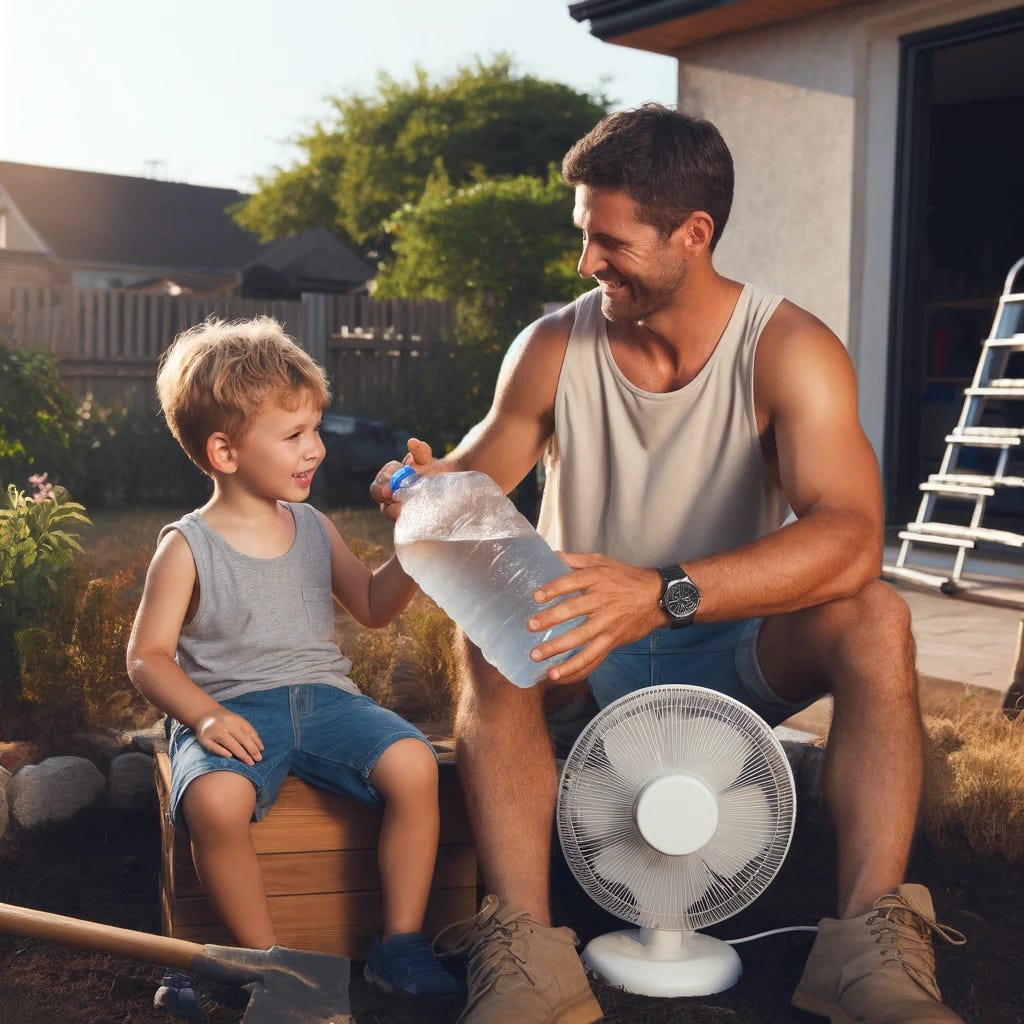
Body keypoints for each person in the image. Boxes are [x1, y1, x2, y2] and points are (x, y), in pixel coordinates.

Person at [370, 104, 966, 1024]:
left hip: (727, 647)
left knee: (878, 617)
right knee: (488, 636)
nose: (585, 263)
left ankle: (865, 949)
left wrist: (660, 594)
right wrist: (425, 486)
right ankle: (525, 955)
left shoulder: (789, 350)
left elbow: (851, 535)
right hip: (579, 649)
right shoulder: (553, 347)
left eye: (609, 241)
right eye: (583, 235)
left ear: (693, 234)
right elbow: (473, 479)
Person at [127, 317, 461, 1014]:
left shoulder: (312, 526)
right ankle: (270, 969)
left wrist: (417, 543)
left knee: (415, 765)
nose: (315, 448)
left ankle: (398, 944)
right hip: (230, 708)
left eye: (313, 429)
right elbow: (147, 658)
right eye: (294, 435)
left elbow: (372, 604)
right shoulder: (187, 545)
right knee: (217, 801)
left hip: (325, 700)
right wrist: (204, 715)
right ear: (224, 450)